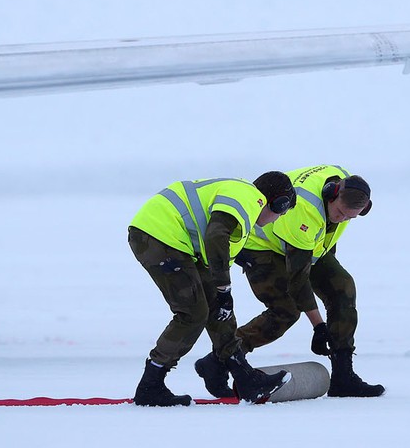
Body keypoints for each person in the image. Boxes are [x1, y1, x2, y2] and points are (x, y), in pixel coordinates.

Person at [193, 164, 384, 398]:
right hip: (259, 245)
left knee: (342, 287)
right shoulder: (304, 212)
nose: (343, 218)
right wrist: (319, 327)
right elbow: (298, 281)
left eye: (349, 217)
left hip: (306, 244)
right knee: (286, 310)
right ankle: (219, 360)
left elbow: (327, 235)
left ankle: (343, 375)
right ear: (332, 195)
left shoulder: (345, 185)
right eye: (340, 213)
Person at [128, 171, 298, 406]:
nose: (276, 219)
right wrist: (223, 287)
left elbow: (216, 256)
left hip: (175, 240)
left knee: (218, 307)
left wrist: (222, 294)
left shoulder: (243, 212)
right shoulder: (249, 197)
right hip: (158, 234)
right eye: (280, 212)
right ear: (278, 202)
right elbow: (216, 236)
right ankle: (151, 385)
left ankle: (243, 376)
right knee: (193, 314)